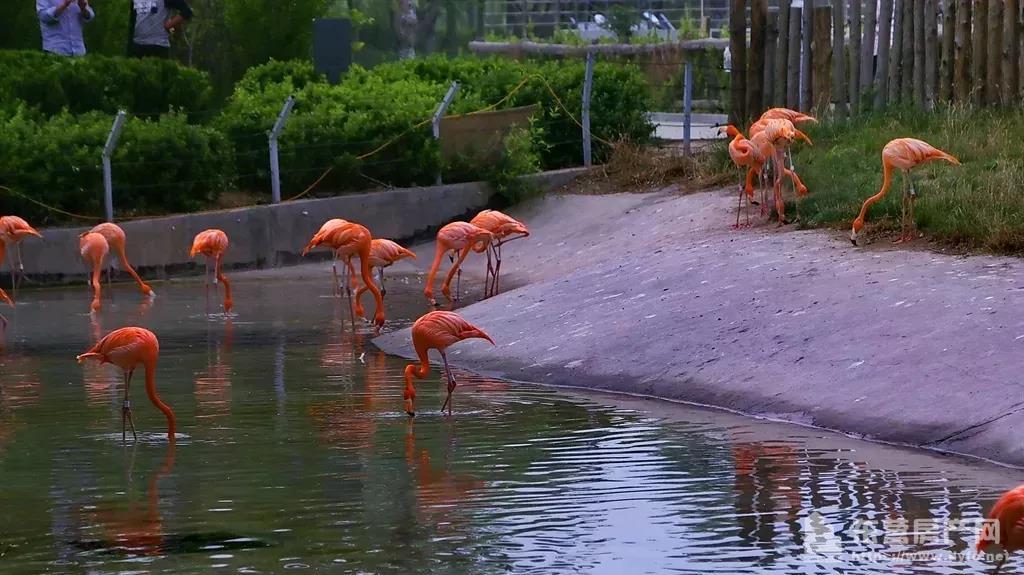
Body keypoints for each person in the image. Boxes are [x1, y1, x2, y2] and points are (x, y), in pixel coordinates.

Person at [128, 0, 193, 59]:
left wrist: (169, 25)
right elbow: (132, 22)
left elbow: (187, 11)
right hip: (137, 45)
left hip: (157, 45)